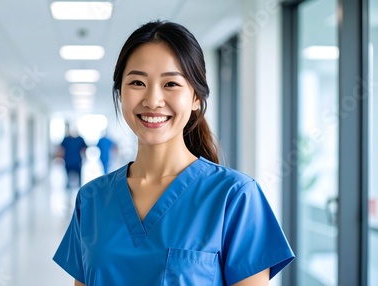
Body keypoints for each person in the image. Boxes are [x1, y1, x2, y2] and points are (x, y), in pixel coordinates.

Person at [53, 21, 294, 285]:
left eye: (171, 84)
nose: (153, 100)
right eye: (137, 82)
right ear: (120, 93)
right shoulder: (92, 199)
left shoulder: (235, 197)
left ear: (196, 98)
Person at [58, 122, 87, 189]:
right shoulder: (66, 139)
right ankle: (67, 184)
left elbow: (84, 149)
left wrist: (85, 158)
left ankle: (79, 185)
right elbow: (61, 149)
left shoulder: (80, 139)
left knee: (79, 174)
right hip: (68, 160)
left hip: (77, 160)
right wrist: (60, 158)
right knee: (67, 173)